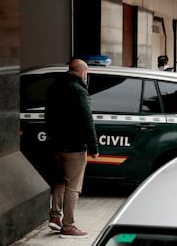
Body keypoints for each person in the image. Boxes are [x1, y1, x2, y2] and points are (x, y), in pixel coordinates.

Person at [45, 58, 99, 239]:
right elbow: (87, 120)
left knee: (60, 180)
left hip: (55, 145)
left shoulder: (53, 87)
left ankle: (55, 217)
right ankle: (68, 226)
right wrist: (94, 147)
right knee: (73, 187)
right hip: (74, 147)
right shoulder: (78, 91)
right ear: (83, 73)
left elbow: (48, 117)